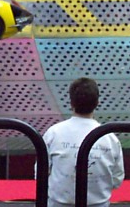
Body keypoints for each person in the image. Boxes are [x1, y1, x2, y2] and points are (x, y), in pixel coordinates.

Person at [42, 77, 124, 207]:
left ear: (71, 102)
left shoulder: (53, 133)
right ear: (97, 102)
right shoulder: (110, 138)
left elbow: (40, 174)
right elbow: (116, 180)